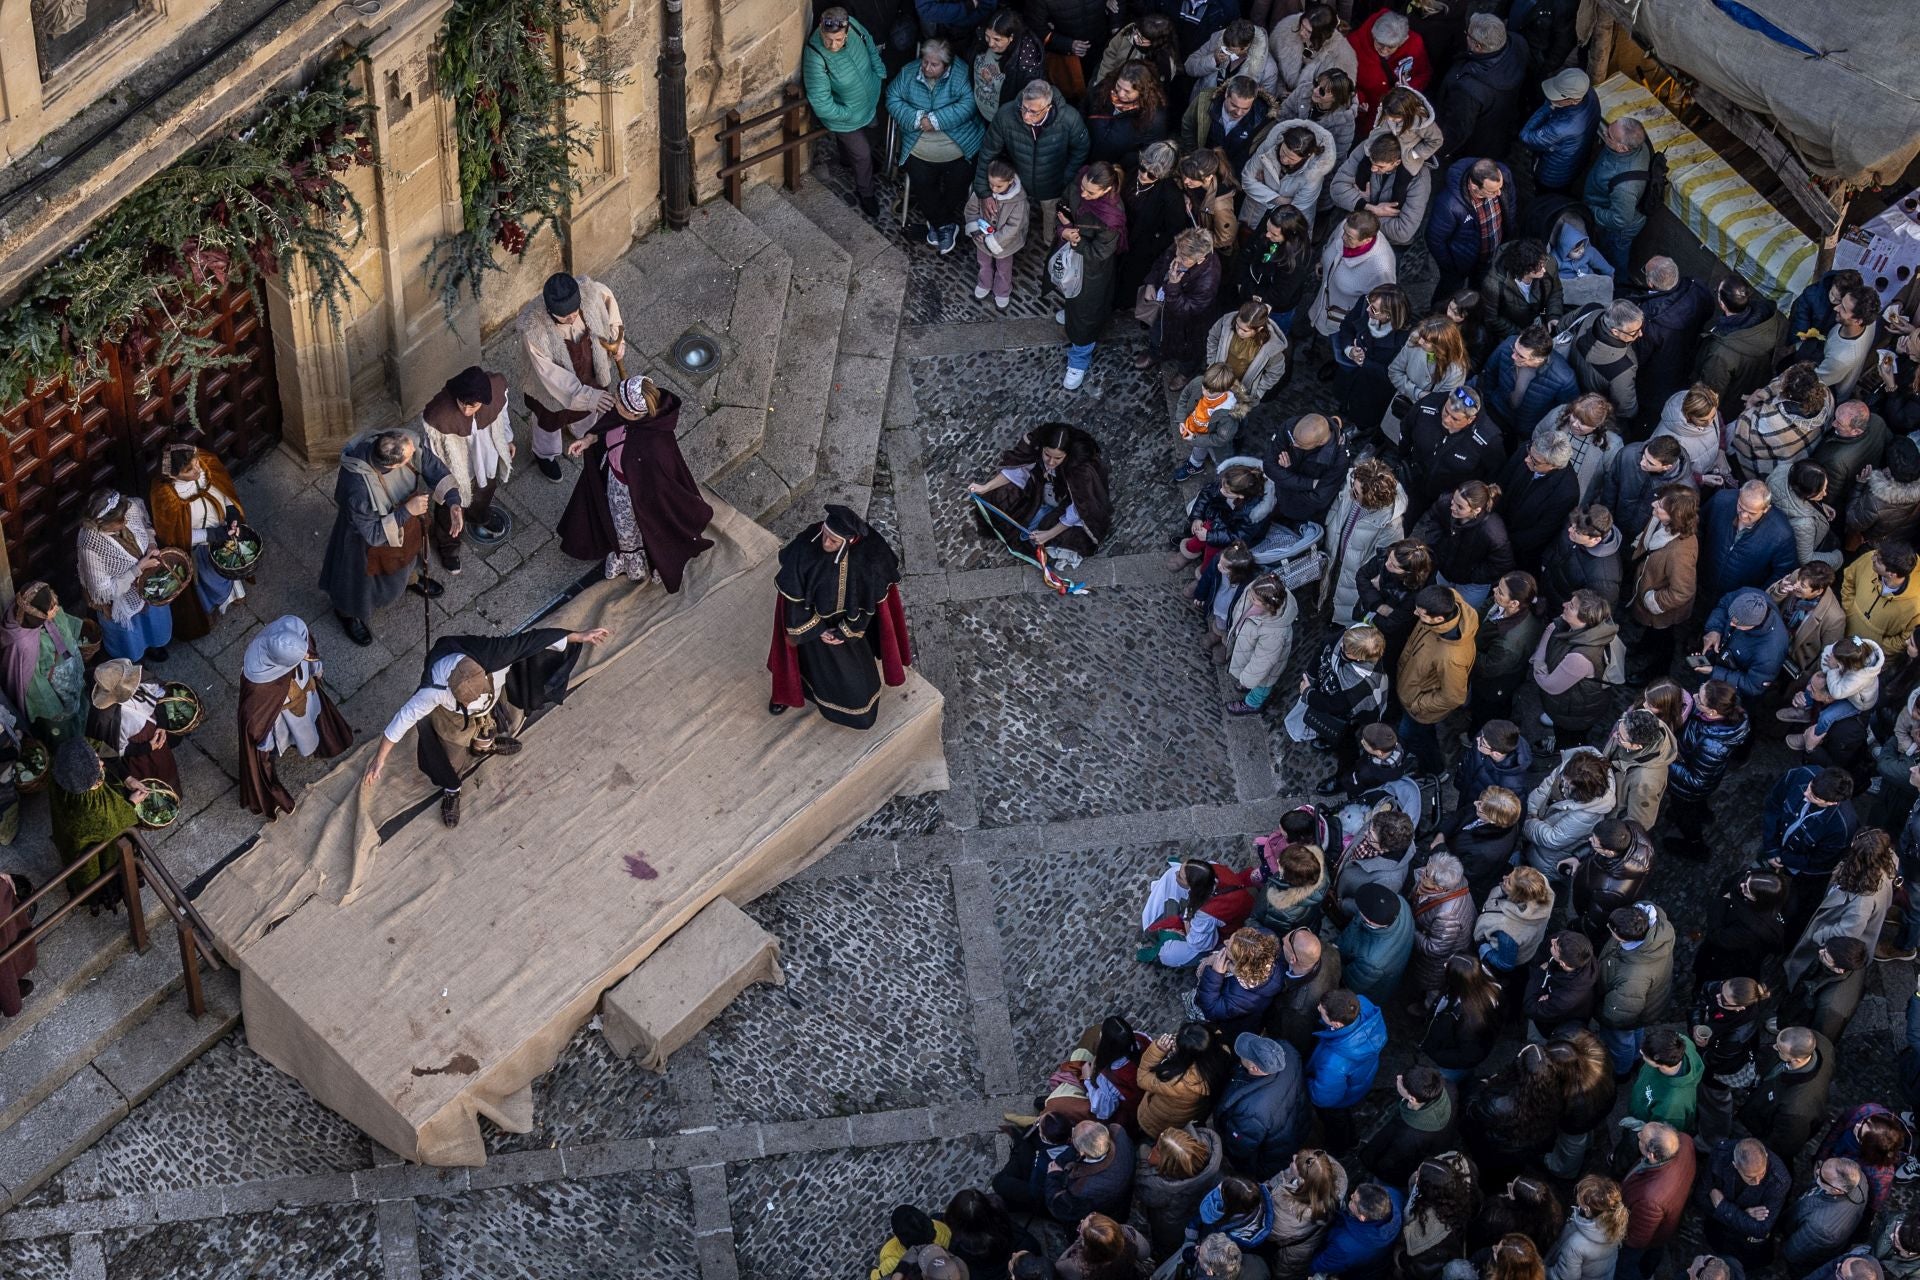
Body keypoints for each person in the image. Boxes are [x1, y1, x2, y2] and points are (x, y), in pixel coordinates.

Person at [363, 625, 602, 826]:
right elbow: (402, 720)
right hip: (452, 717)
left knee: (490, 728)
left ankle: (485, 746)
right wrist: (380, 759)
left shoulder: (497, 655)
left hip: (491, 702)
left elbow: (532, 640)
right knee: (451, 757)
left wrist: (578, 636)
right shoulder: (432, 691)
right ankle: (451, 790)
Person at [557, 374, 714, 590]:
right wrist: (588, 440)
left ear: (633, 413)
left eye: (619, 403)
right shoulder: (627, 415)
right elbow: (607, 427)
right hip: (613, 483)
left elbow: (659, 487)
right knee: (614, 524)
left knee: (627, 532)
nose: (615, 403)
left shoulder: (654, 446)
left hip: (632, 498)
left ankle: (636, 566)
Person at [768, 505, 913, 729]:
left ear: (850, 541)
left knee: (854, 682)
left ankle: (858, 714)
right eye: (825, 536)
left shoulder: (870, 555)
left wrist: (845, 632)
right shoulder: (809, 544)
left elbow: (872, 603)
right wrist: (818, 629)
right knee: (798, 665)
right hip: (810, 628)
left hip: (850, 629)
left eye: (833, 541)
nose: (825, 543)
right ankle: (790, 692)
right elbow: (791, 597)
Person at [319, 428, 461, 647]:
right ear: (394, 465)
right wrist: (407, 511)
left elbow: (430, 464)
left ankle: (412, 580)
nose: (415, 451)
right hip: (365, 540)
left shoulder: (402, 441)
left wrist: (453, 501)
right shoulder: (357, 488)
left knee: (408, 559)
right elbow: (374, 535)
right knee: (355, 582)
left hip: (406, 522)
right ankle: (347, 614)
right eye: (409, 456)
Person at [236, 615, 353, 820]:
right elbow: (257, 719)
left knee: (309, 724)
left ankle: (316, 742)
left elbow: (312, 659)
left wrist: (315, 671)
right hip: (281, 719)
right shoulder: (260, 689)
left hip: (306, 697)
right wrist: (262, 745)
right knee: (284, 738)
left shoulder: (296, 640)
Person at [518, 271, 624, 484]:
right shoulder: (533, 329)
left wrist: (617, 340)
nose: (572, 318)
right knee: (548, 422)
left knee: (587, 413)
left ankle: (584, 433)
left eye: (575, 312)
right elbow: (550, 375)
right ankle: (545, 454)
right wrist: (586, 396)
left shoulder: (591, 292)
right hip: (552, 389)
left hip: (589, 371)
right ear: (550, 311)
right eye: (565, 317)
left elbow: (610, 307)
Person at [888, 40, 987, 256]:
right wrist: (917, 118)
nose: (927, 68)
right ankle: (945, 225)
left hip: (959, 146)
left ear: (947, 65)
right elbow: (892, 98)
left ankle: (937, 224)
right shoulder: (909, 73)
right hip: (919, 146)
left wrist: (937, 119)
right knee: (922, 182)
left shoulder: (961, 75)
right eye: (925, 62)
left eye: (934, 65)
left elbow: (970, 104)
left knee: (958, 182)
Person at [969, 423, 1113, 568]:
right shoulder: (1034, 446)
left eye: (1058, 458)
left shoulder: (1080, 471)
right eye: (1047, 455)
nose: (1051, 462)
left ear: (1067, 455)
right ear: (1042, 448)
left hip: (1069, 505)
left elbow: (1080, 508)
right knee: (1001, 497)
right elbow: (1018, 471)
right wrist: (985, 487)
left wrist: (1049, 534)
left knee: (1047, 535)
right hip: (1042, 492)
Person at [973, 78, 1089, 252]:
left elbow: (1081, 149)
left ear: (1048, 108)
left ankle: (1050, 246)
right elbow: (988, 152)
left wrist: (1064, 179)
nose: (1026, 116)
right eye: (1024, 108)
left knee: (1051, 220)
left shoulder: (1069, 119)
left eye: (1033, 112)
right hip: (1019, 183)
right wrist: (983, 191)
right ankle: (1019, 243)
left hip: (1052, 186)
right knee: (1016, 218)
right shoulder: (1006, 115)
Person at [147, 441, 246, 640]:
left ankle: (234, 594)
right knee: (210, 580)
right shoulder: (167, 497)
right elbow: (176, 534)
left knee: (229, 569)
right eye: (188, 470)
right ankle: (213, 607)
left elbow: (222, 489)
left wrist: (231, 512)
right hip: (199, 548)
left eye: (196, 464)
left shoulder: (205, 463)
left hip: (223, 530)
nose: (196, 470)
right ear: (174, 475)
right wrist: (211, 535)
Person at [417, 366, 514, 566]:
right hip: (453, 468)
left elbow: (502, 414)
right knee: (448, 510)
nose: (467, 411)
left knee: (485, 490)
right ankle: (448, 547)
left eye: (474, 406)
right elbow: (431, 456)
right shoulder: (438, 415)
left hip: (485, 458)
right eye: (463, 404)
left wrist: (508, 439)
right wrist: (443, 483)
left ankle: (479, 517)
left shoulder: (495, 388)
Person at [804, 8, 887, 216]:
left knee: (870, 134)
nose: (833, 45)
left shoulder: (854, 25)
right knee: (863, 154)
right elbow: (821, 102)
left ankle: (846, 159)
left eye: (839, 40)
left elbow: (868, 43)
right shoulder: (815, 56)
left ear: (847, 31)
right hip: (846, 118)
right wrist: (848, 114)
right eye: (828, 39)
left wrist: (878, 71)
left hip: (868, 99)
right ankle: (866, 192)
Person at [75, 490, 174, 663]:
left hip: (149, 585)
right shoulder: (89, 546)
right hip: (121, 597)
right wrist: (138, 569)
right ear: (101, 523)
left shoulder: (129, 508)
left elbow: (145, 525)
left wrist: (151, 545)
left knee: (152, 619)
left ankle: (154, 645)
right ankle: (134, 659)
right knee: (131, 634)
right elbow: (104, 591)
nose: (126, 521)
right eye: (120, 521)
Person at [46, 737, 143, 909]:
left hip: (67, 836)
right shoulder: (91, 807)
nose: (101, 763)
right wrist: (132, 804)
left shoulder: (62, 764)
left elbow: (95, 744)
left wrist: (126, 776)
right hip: (98, 855)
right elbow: (114, 826)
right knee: (108, 869)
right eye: (97, 763)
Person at [1057, 161, 1127, 390]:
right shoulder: (1080, 183)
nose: (1084, 194)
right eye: (1084, 188)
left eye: (1090, 192)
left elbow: (1099, 252)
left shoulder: (1111, 218)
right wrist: (1064, 229)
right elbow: (1064, 204)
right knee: (1070, 292)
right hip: (1074, 257)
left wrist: (1073, 238)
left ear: (1106, 190)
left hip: (1093, 270)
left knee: (1087, 313)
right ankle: (1070, 313)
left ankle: (1079, 360)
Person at [1396, 585, 1479, 772]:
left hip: (1419, 708)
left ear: (1439, 619)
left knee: (1417, 738)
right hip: (1411, 688)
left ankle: (1433, 770)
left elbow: (1454, 697)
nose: (1416, 613)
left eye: (1422, 613)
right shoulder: (1448, 602)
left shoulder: (1451, 657)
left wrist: (1417, 704)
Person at [1432, 14, 1527, 171]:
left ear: (1477, 47)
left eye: (1467, 34)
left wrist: (1438, 151)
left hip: (1475, 146)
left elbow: (1458, 130)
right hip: (1500, 130)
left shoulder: (1469, 88)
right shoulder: (1518, 44)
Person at [0, 583, 87, 745]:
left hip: (67, 669)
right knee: (62, 722)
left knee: (78, 699)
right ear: (36, 615)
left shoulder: (34, 613)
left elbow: (64, 628)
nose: (56, 609)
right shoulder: (23, 644)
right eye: (51, 608)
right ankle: (67, 743)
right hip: (53, 687)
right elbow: (36, 687)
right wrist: (53, 708)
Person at [1595, 903, 1676, 1076]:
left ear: (1625, 939)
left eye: (1612, 931)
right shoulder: (1656, 928)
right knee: (1636, 1030)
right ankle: (1635, 1056)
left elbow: (1618, 1015)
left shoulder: (1633, 975)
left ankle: (1622, 1071)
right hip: (1646, 1005)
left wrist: (1598, 1011)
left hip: (1628, 1011)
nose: (1610, 932)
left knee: (1620, 1042)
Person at [1212, 1031, 1305, 1180]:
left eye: (1243, 1056)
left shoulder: (1252, 1111)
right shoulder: (1289, 1052)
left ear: (1255, 1069)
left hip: (1271, 1155)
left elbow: (1240, 1148)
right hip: (1293, 1124)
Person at [1322, 462, 1407, 623]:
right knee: (1328, 584)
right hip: (1335, 552)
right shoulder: (1355, 482)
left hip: (1353, 570)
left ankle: (1337, 622)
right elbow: (1337, 506)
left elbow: (1379, 562)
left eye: (1356, 493)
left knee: (1344, 598)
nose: (1351, 493)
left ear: (1371, 501)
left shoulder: (1391, 526)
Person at [1413, 481, 1514, 613]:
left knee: (1461, 615)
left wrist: (1471, 574)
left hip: (1471, 585)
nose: (1452, 507)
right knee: (1436, 609)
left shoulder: (1492, 532)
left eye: (1460, 507)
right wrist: (1439, 548)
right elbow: (1432, 519)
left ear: (1476, 510)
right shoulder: (1446, 503)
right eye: (1453, 501)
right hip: (1445, 571)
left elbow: (1502, 564)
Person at [1740, 1025, 1837, 1160]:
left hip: (1766, 1124)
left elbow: (1783, 1144)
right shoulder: (1822, 1043)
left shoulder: (1795, 1108)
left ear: (1796, 1060)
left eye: (1779, 1049)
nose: (1774, 1047)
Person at [85, 658, 179, 797]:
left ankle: (172, 791)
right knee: (152, 774)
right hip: (141, 752)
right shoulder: (106, 718)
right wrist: (147, 748)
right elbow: (111, 749)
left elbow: (157, 695)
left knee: (166, 764)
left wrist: (162, 724)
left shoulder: (137, 677)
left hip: (155, 733)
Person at [1631, 258, 1713, 417]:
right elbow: (1708, 311)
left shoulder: (1649, 318)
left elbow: (1641, 354)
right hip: (1687, 356)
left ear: (1650, 283)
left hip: (1657, 372)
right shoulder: (1697, 287)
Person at [1309, 211, 1397, 357]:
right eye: (1344, 232)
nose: (1343, 237)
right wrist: (1324, 262)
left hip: (1343, 317)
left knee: (1339, 346)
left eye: (1349, 237)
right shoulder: (1347, 227)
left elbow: (1383, 303)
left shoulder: (1381, 267)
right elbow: (1331, 242)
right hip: (1323, 300)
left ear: (1367, 240)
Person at [1406, 385, 1505, 514]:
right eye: (1446, 411)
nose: (1446, 419)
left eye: (1455, 418)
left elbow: (1494, 475)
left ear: (1470, 419)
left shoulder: (1488, 439)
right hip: (1416, 481)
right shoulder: (1430, 403)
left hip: (1453, 499)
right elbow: (1406, 429)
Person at [1428, 158, 1516, 302]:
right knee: (1447, 297)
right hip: (1459, 263)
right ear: (1474, 187)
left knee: (1477, 295)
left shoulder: (1503, 175)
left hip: (1489, 257)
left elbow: (1510, 204)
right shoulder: (1449, 204)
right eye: (1492, 191)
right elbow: (1435, 240)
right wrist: (1451, 267)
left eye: (1500, 187)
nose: (1499, 193)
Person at [1699, 482, 1799, 608]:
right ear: (1739, 494)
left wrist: (1753, 599)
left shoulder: (1781, 533)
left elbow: (1782, 572)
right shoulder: (1721, 500)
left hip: (1736, 602)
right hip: (1702, 585)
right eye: (1740, 507)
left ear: (1766, 509)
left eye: (1751, 513)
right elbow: (1698, 528)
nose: (1743, 515)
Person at [1477, 325, 1578, 449]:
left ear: (1538, 359)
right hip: (1496, 412)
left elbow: (1563, 413)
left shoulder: (1563, 378)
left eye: (1520, 356)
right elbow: (1489, 372)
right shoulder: (1509, 343)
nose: (1513, 356)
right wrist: (1488, 400)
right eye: (1514, 349)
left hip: (1524, 431)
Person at [1134, 1127, 1225, 1263]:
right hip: (1193, 1214)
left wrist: (1143, 1163)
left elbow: (1143, 1192)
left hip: (1171, 1226)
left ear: (1169, 1164)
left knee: (1166, 1249)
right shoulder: (1206, 1155)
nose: (1153, 1148)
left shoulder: (1157, 1187)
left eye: (1157, 1149)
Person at [1618, 1122, 1695, 1280]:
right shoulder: (1685, 1141)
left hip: (1650, 1235)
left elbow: (1637, 1239)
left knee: (1627, 1266)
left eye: (1642, 1139)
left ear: (1652, 1155)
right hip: (1670, 1215)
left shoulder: (1650, 1199)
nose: (1638, 1135)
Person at [1142, 227, 1223, 377]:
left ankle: (1185, 373)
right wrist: (1151, 282)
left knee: (1188, 348)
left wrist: (1173, 286)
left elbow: (1187, 310)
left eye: (1184, 258)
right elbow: (1161, 261)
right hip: (1165, 307)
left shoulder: (1208, 279)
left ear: (1200, 259)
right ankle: (1155, 353)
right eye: (1178, 253)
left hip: (1190, 323)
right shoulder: (1181, 247)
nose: (1178, 259)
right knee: (1158, 331)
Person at [1327, 133, 1431, 249]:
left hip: (1386, 242)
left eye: (1380, 166)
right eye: (1371, 163)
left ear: (1397, 162)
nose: (1373, 169)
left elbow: (1403, 232)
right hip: (1353, 228)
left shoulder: (1419, 178)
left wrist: (1364, 209)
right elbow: (1337, 188)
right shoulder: (1367, 149)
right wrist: (1371, 208)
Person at [1694, 276, 1788, 406]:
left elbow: (1710, 394)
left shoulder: (1721, 354)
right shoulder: (1771, 321)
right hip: (1749, 390)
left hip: (1727, 404)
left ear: (1722, 304)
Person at [1495, 428, 1580, 568]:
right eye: (1529, 452)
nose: (1526, 459)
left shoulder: (1567, 492)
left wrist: (1503, 542)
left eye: (1535, 461)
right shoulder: (1530, 450)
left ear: (1554, 466)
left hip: (1516, 550)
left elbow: (1540, 533)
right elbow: (1502, 482)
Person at [1563, 818, 1655, 940]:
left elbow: (1595, 920)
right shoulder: (1631, 830)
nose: (1590, 840)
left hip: (1583, 903)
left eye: (1594, 841)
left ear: (1610, 853)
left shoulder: (1609, 891)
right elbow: (1596, 849)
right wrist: (1578, 856)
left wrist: (1574, 925)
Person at [1584, 118, 1653, 272]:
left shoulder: (1625, 188)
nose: (1604, 132)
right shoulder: (1638, 144)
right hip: (1617, 207)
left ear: (1622, 148)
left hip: (1619, 230)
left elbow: (1619, 220)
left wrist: (1591, 211)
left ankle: (1618, 286)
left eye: (1609, 135)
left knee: (1615, 258)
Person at [1780, 1160, 1870, 1276]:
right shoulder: (1859, 1178)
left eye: (1822, 1177)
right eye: (1822, 1167)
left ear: (1837, 1190)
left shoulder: (1821, 1228)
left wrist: (1783, 1251)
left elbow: (1794, 1251)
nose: (1817, 1171)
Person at [1564, 300, 1645, 428]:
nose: (1640, 334)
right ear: (1615, 332)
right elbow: (1626, 407)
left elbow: (1563, 324)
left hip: (1572, 381)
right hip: (1593, 407)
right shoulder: (1623, 367)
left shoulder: (1591, 310)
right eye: (1634, 332)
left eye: (1641, 327)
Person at [1518, 69, 1597, 196]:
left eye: (1557, 96)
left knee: (1546, 196)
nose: (1550, 97)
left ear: (1574, 100)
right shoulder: (1590, 93)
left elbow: (1525, 136)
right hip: (1576, 161)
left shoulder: (1560, 128)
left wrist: (1548, 107)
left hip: (1552, 176)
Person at [1347, 9, 1429, 131]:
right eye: (1380, 43)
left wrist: (1409, 88)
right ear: (1373, 34)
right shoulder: (1353, 44)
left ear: (1403, 41)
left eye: (1391, 47)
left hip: (1396, 120)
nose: (1384, 50)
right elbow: (1345, 81)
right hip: (1365, 118)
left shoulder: (1414, 44)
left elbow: (1424, 73)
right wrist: (1358, 99)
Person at [964, 157, 1029, 308]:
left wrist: (994, 240)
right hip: (981, 238)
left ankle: (1002, 290)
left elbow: (1014, 226)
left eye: (999, 186)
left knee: (1004, 268)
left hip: (1006, 244)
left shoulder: (1019, 202)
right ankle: (984, 283)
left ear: (1011, 180)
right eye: (991, 184)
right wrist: (975, 229)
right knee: (983, 263)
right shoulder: (983, 192)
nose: (993, 189)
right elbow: (971, 209)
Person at [1336, 883, 1414, 1007]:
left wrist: (1332, 959)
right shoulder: (1399, 903)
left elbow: (1350, 983)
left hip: (1369, 993)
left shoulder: (1372, 962)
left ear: (1369, 921)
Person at [1234, 204, 1315, 321]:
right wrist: (1240, 280)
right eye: (1267, 229)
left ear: (1289, 237)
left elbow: (1280, 295)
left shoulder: (1297, 260)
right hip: (1252, 287)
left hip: (1275, 310)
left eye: (1274, 235)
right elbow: (1248, 250)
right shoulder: (1272, 224)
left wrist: (1247, 291)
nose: (1267, 235)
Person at [1840, 541, 1920, 654]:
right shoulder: (1873, 557)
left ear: (1892, 574)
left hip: (1870, 656)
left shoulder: (1916, 604)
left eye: (1877, 561)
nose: (1872, 558)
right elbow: (1849, 577)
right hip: (1844, 635)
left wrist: (1877, 647)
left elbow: (1906, 637)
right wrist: (1849, 610)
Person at [1549, 1176, 1629, 1280]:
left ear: (1587, 1209)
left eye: (1581, 1199)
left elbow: (1562, 1277)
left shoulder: (1576, 1245)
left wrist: (1541, 1269)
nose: (1578, 1200)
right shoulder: (1616, 1224)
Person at [974, 9, 1046, 123]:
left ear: (1011, 37)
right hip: (980, 112)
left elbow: (1026, 101)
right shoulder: (981, 39)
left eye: (997, 39)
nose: (990, 43)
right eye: (987, 36)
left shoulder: (1026, 64)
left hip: (1000, 121)